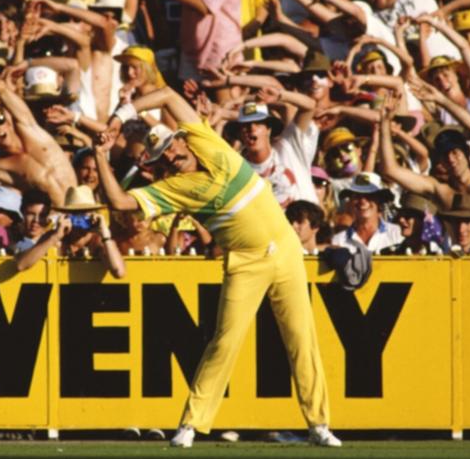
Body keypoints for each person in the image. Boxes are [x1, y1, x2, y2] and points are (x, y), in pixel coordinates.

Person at [94, 86, 340, 448]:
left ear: (182, 139)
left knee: (302, 339)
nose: (172, 153)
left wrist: (120, 116)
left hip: (287, 251)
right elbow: (117, 199)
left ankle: (318, 425)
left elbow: (164, 94)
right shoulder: (173, 187)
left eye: (173, 145)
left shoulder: (206, 140)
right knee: (224, 344)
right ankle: (191, 424)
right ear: (157, 162)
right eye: (163, 154)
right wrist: (101, 154)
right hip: (246, 263)